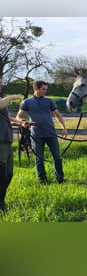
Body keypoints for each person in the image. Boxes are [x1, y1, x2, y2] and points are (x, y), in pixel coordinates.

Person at [16, 80, 68, 184]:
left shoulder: (49, 101)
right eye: (43, 89)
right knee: (39, 158)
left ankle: (60, 179)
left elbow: (58, 115)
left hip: (51, 134)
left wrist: (64, 128)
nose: (45, 91)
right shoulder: (27, 102)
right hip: (36, 135)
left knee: (57, 157)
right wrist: (23, 123)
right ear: (36, 89)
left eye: (46, 89)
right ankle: (42, 180)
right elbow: (18, 117)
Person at [0, 82, 32, 212]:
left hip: (6, 140)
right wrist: (12, 97)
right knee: (1, 174)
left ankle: (1, 201)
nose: (1, 83)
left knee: (8, 174)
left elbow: (6, 117)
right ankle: (1, 204)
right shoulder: (2, 101)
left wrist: (20, 122)